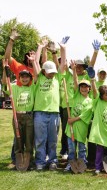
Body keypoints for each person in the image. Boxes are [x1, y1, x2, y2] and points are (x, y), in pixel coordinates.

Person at [30, 37, 67, 171]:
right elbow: (35, 63)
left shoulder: (57, 78)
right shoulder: (38, 78)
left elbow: (62, 66)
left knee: (52, 140)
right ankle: (40, 161)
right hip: (39, 113)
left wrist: (63, 48)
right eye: (49, 72)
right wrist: (40, 47)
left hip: (54, 114)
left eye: (53, 72)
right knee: (40, 140)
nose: (52, 74)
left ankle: (52, 161)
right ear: (44, 71)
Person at [2, 59, 35, 170]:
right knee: (18, 139)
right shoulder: (15, 88)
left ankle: (29, 161)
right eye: (22, 77)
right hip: (17, 116)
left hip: (29, 116)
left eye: (27, 77)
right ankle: (18, 161)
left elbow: (38, 76)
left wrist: (34, 61)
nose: (24, 79)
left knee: (29, 140)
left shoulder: (32, 88)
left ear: (30, 78)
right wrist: (4, 69)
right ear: (19, 78)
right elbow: (4, 84)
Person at [64, 60, 93, 172]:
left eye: (86, 87)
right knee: (71, 148)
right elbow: (75, 81)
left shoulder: (90, 101)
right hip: (70, 128)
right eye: (82, 87)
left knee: (81, 148)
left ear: (89, 88)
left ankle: (82, 163)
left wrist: (72, 119)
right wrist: (74, 70)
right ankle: (70, 164)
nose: (83, 88)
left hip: (81, 128)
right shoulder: (76, 96)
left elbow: (84, 115)